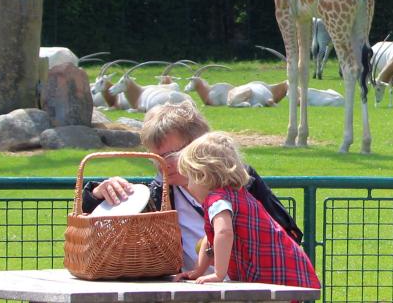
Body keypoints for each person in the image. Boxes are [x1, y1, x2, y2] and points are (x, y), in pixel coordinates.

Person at [81, 101, 302, 272]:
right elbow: (97, 220)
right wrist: (97, 192)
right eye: (156, 158)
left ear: (200, 145)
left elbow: (288, 232)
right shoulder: (159, 194)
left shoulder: (239, 178)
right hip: (192, 290)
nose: (164, 165)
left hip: (253, 286)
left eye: (173, 154)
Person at [174, 131, 320, 289]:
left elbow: (224, 233)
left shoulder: (218, 200)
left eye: (189, 178)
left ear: (202, 175)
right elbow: (210, 240)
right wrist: (198, 271)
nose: (187, 186)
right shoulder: (235, 194)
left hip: (276, 275)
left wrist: (219, 274)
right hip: (285, 269)